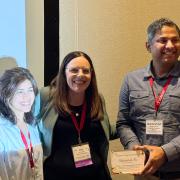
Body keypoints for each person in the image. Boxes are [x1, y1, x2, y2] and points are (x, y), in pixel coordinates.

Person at [36, 51, 117, 180]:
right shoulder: (46, 96)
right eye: (74, 70)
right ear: (64, 72)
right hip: (56, 175)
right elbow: (30, 128)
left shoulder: (97, 99)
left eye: (86, 71)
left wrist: (131, 123)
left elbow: (106, 131)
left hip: (96, 175)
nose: (80, 75)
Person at [116, 18, 180, 180]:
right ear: (148, 46)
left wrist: (165, 152)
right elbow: (123, 123)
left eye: (175, 40)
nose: (170, 46)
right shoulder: (131, 80)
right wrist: (133, 146)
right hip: (143, 174)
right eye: (163, 40)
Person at [0, 67, 43, 180]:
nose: (27, 97)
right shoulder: (1, 129)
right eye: (20, 91)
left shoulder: (32, 125)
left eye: (30, 90)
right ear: (6, 94)